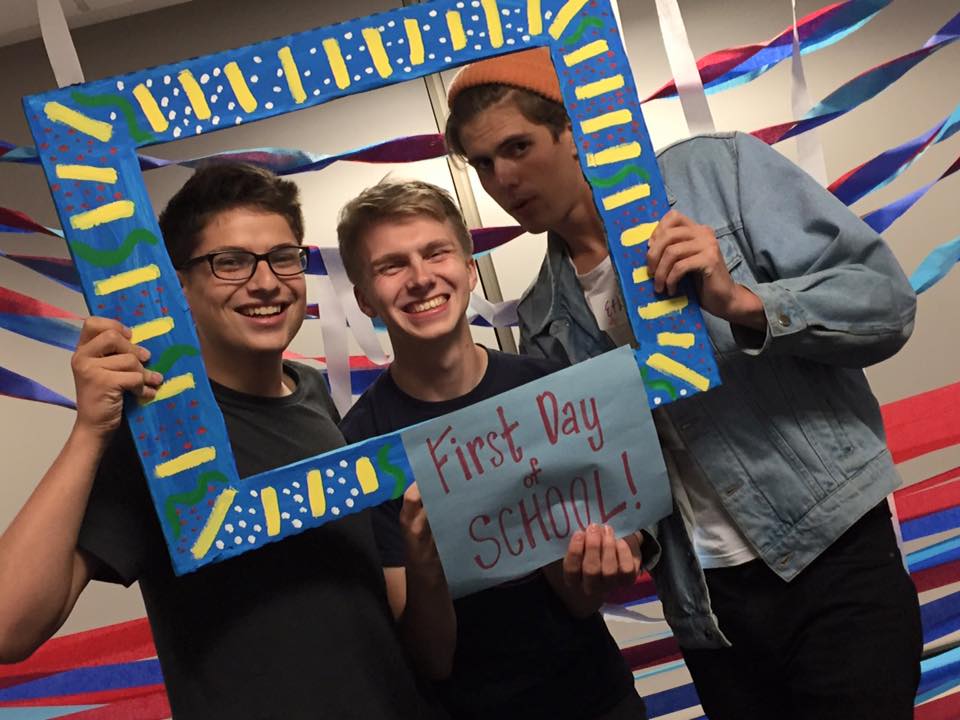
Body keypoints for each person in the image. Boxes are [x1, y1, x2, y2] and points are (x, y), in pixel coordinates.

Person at [442, 47, 922, 720]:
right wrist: (612, 545)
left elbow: (886, 305)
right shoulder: (544, 315)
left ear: (575, 130)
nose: (502, 178)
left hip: (831, 557)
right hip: (707, 608)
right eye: (482, 164)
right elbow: (617, 478)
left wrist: (744, 302)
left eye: (517, 147)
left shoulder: (713, 176)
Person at [0, 163, 437, 719]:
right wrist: (89, 432)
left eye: (283, 256)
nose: (266, 281)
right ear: (179, 286)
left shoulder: (312, 395)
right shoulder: (158, 429)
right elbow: (8, 627)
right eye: (229, 262)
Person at [337, 179, 648, 720]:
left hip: (597, 698)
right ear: (365, 299)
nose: (420, 278)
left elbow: (579, 600)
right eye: (391, 266)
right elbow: (430, 659)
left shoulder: (547, 389)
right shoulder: (362, 446)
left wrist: (596, 563)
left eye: (436, 252)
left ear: (469, 268)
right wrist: (427, 566)